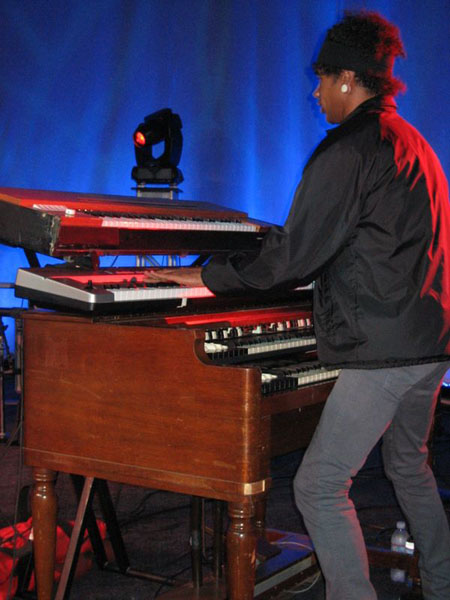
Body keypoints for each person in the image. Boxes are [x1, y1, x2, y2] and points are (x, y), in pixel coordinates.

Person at [145, 11, 450, 600]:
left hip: (385, 353)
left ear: (348, 80)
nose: (315, 93)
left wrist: (205, 276)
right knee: (410, 468)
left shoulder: (349, 150)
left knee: (318, 486)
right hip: (431, 344)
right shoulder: (413, 144)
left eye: (321, 79)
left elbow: (291, 259)